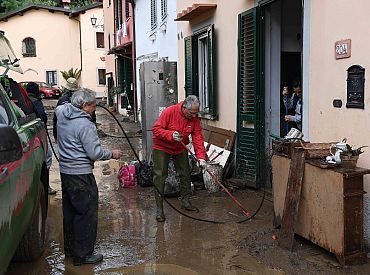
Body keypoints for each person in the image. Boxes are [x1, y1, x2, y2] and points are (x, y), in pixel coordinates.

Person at [56, 88, 122, 265]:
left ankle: (70, 250)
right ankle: (83, 255)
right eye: (93, 105)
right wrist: (112, 153)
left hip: (66, 172)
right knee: (86, 213)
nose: (95, 109)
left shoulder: (62, 113)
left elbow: (60, 106)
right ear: (84, 106)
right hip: (81, 175)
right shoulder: (85, 125)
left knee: (70, 212)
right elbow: (94, 153)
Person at [152, 95, 207, 222]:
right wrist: (170, 134)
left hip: (180, 147)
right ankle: (159, 209)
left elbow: (198, 138)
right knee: (160, 175)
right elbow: (156, 129)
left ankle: (185, 201)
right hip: (162, 146)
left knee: (185, 173)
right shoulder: (170, 111)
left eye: (196, 113)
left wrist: (201, 158)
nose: (194, 116)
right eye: (191, 113)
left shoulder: (195, 119)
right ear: (184, 107)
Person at [26, 82, 56, 195]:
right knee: (47, 158)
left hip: (28, 136)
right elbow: (42, 116)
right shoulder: (36, 101)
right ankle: (45, 186)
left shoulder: (25, 99)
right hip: (38, 133)